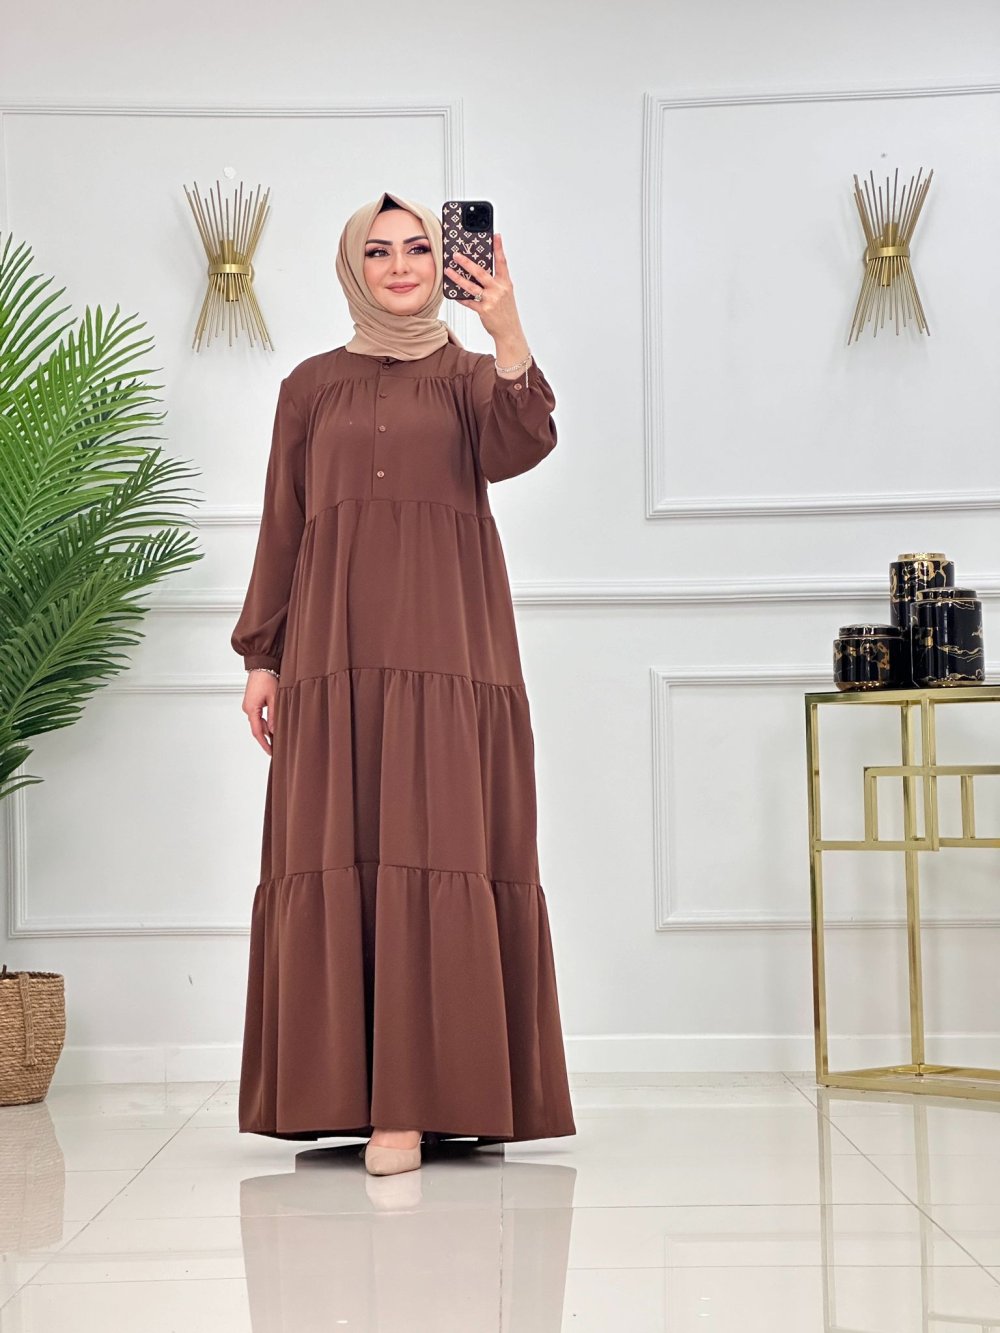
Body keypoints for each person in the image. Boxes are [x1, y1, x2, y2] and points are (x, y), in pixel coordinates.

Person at [231, 189, 576, 1177]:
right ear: (353, 267)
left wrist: (505, 327)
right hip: (334, 655)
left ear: (442, 263)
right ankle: (348, 1095)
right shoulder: (309, 387)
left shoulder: (469, 377)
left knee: (440, 842)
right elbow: (284, 522)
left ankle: (416, 1107)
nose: (399, 265)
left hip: (450, 648)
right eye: (378, 251)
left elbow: (521, 444)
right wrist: (263, 656)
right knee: (339, 846)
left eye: (418, 248)